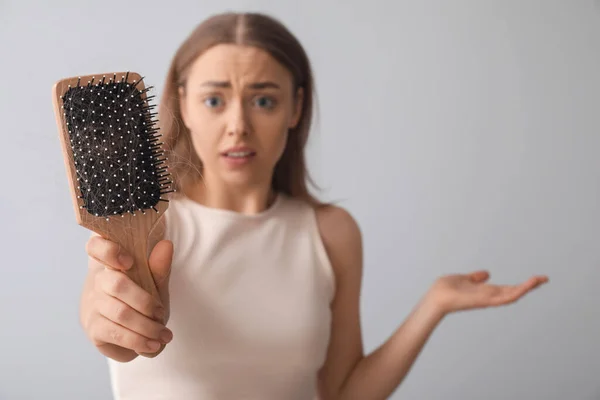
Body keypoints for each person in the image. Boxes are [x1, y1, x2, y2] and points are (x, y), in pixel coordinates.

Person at [78, 11, 549, 400]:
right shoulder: (141, 225)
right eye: (215, 99)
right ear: (182, 103)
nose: (238, 125)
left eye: (263, 100)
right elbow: (107, 325)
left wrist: (434, 304)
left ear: (295, 108)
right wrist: (108, 323)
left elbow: (344, 392)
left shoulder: (331, 234)